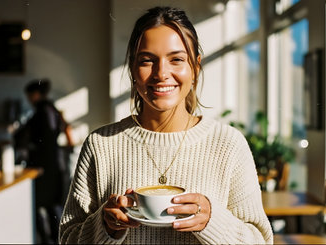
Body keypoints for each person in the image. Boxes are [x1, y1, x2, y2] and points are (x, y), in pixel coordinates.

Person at [59, 6, 273, 244]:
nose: (161, 73)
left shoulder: (228, 144)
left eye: (177, 59)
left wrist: (213, 222)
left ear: (195, 67)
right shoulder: (100, 145)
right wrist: (105, 226)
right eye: (147, 60)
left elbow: (260, 240)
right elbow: (68, 237)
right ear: (132, 68)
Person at [14, 79, 74, 244]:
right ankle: (59, 239)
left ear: (35, 94)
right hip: (57, 164)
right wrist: (70, 148)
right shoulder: (54, 109)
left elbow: (22, 138)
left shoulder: (40, 112)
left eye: (29, 96)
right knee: (54, 206)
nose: (29, 99)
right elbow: (67, 129)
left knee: (40, 206)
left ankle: (48, 240)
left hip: (44, 167)